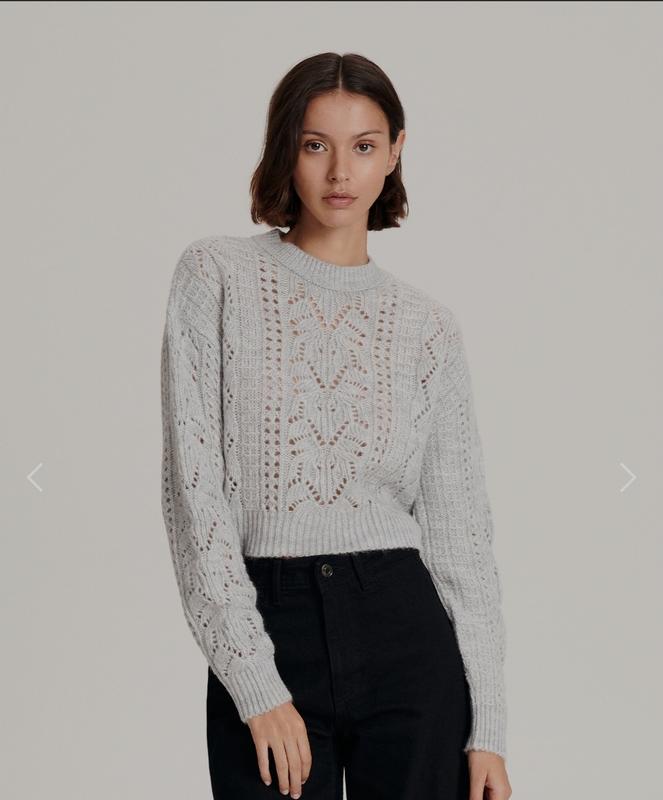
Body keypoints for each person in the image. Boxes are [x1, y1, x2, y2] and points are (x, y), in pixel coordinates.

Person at [160, 51, 512, 800]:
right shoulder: (215, 277)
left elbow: (460, 538)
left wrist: (488, 728)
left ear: (395, 152)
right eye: (315, 144)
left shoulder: (427, 328)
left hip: (406, 631)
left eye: (364, 145)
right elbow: (195, 500)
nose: (340, 172)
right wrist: (255, 682)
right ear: (285, 148)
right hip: (269, 621)